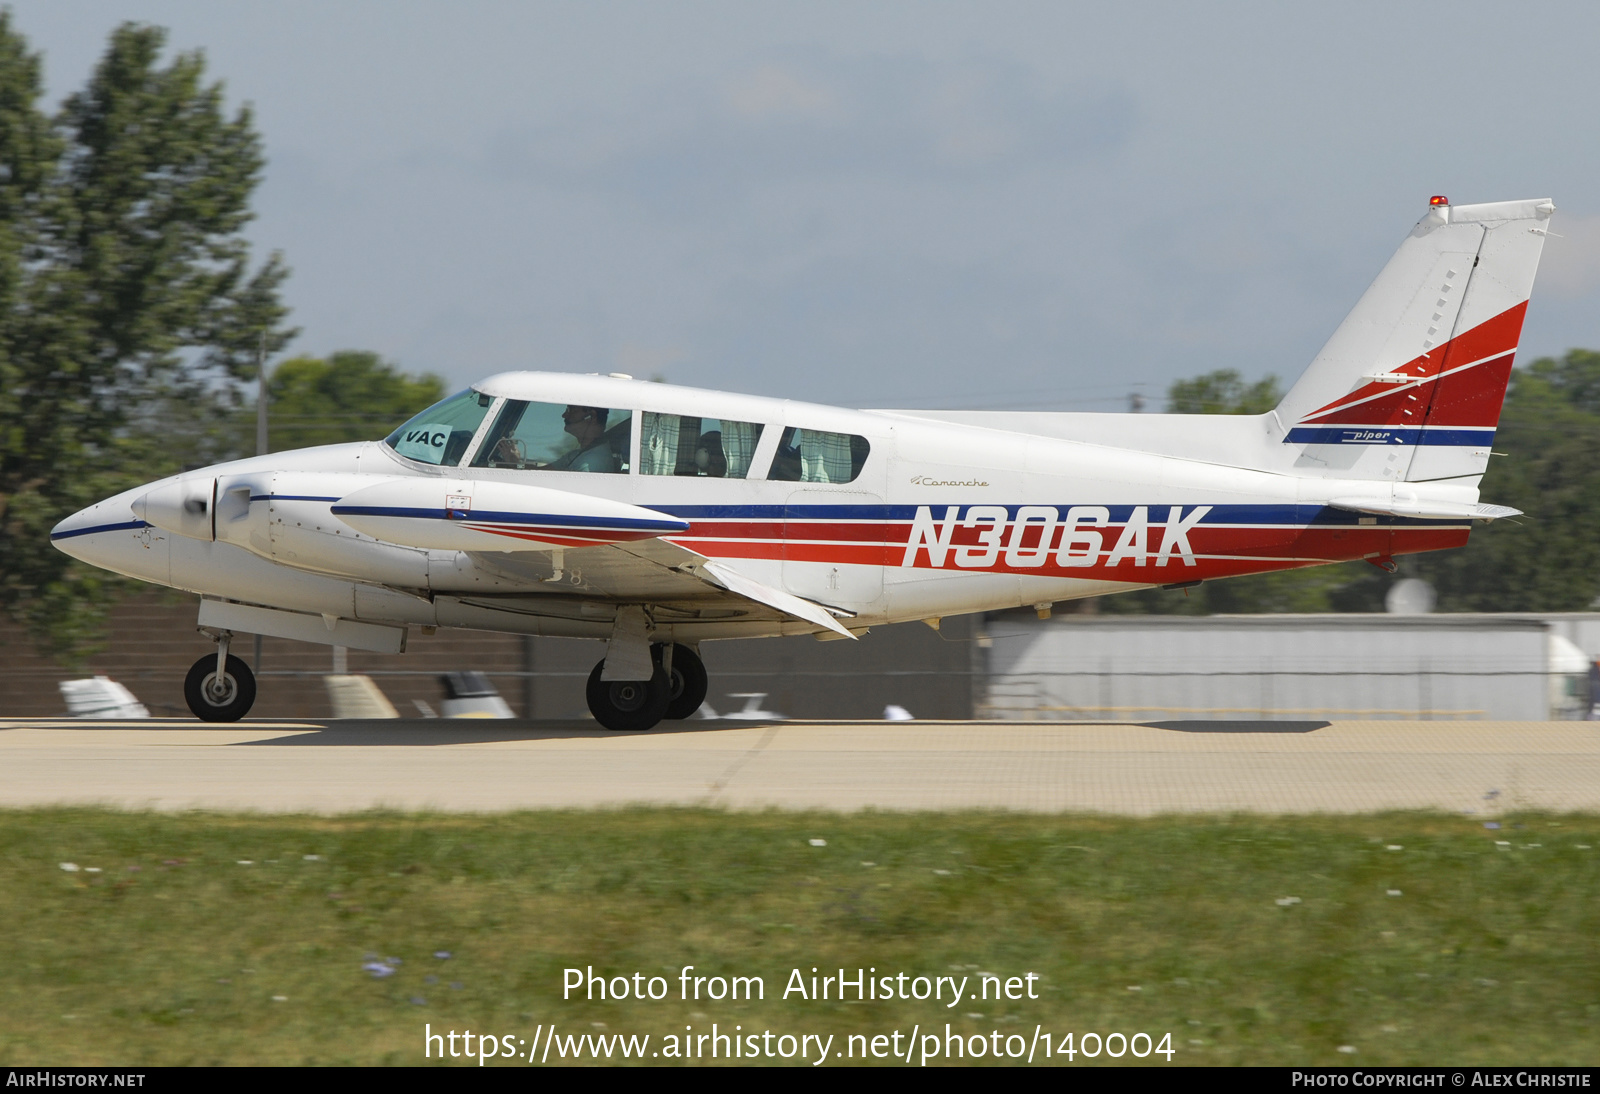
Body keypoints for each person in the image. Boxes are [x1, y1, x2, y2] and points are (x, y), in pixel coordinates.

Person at [550, 405, 616, 472]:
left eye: (570, 410)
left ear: (592, 416)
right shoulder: (576, 455)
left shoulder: (591, 462)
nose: (564, 415)